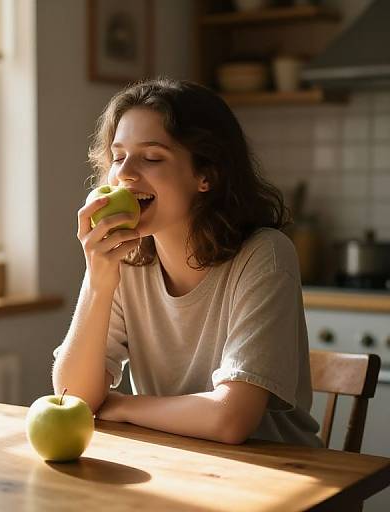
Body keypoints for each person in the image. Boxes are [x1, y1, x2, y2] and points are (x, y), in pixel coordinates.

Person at [52, 77, 322, 447]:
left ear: (205, 175)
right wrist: (97, 280)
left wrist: (125, 406)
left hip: (279, 478)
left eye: (151, 157)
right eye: (117, 156)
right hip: (176, 463)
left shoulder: (265, 255)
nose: (125, 173)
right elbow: (73, 396)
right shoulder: (125, 259)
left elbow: (231, 419)